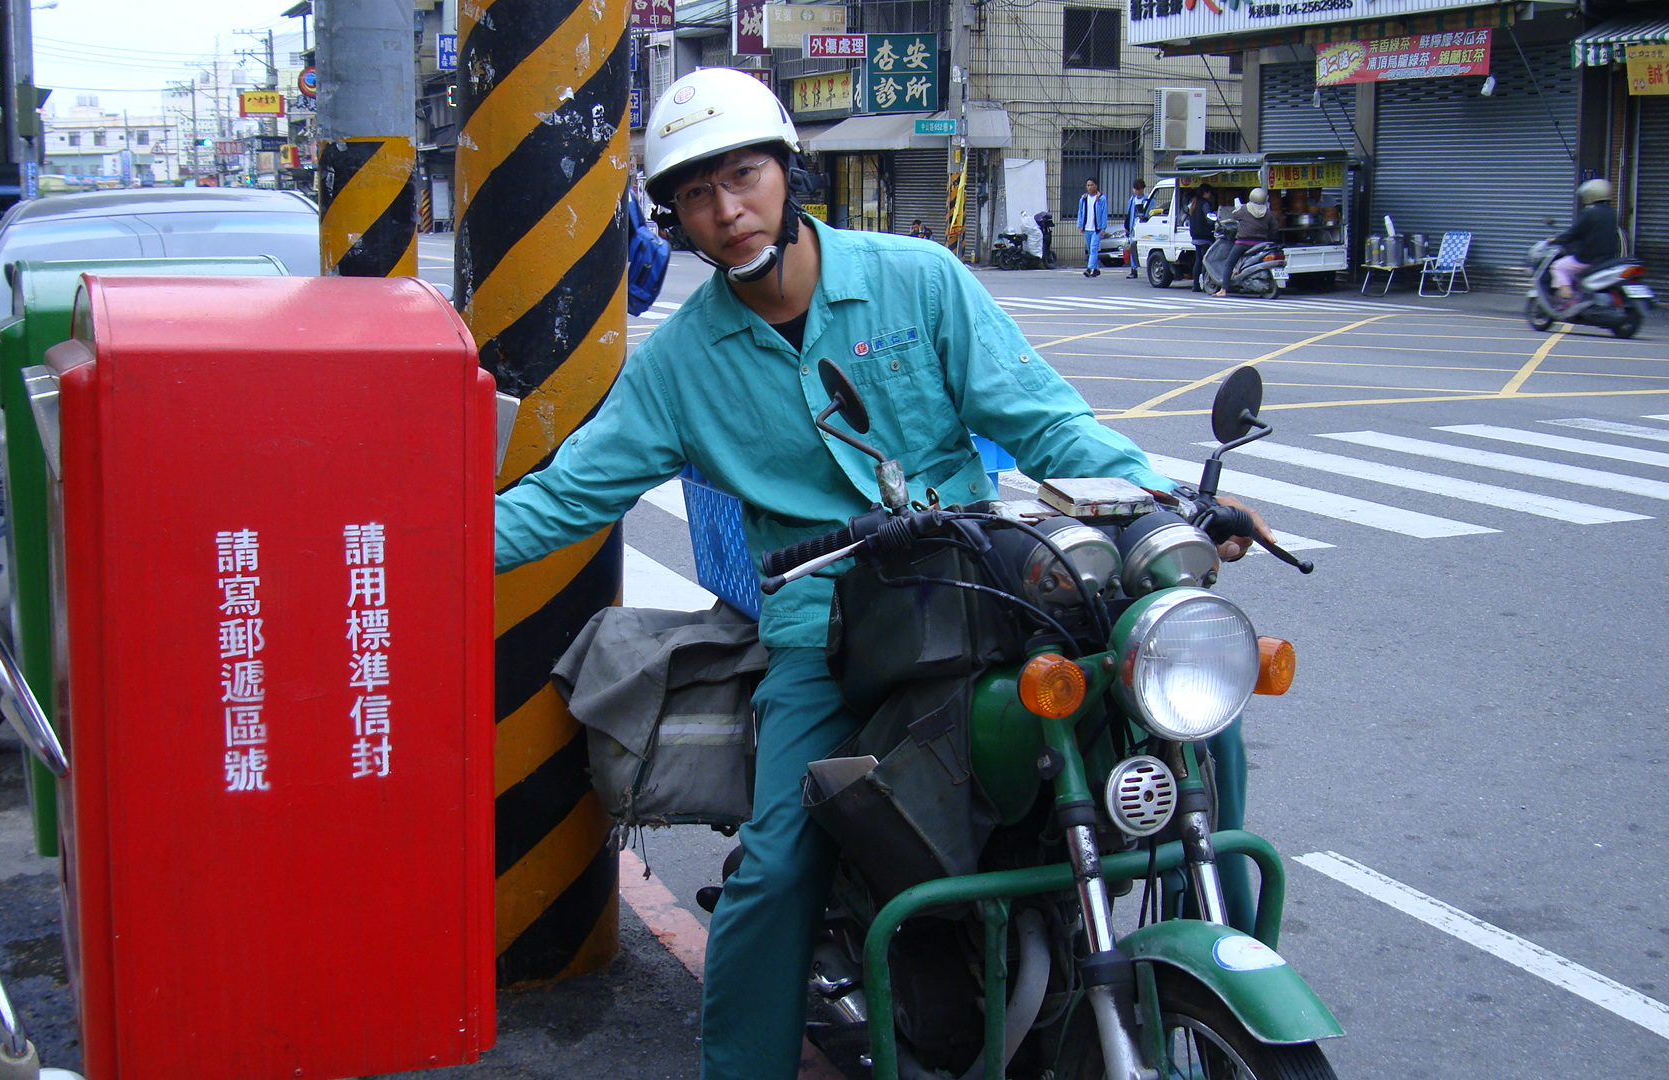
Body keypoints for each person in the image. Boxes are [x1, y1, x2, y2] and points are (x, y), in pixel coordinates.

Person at [494, 67, 1269, 1080]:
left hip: (983, 584)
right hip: (830, 622)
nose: (726, 211)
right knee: (779, 863)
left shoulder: (917, 280)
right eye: (695, 194)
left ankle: (1226, 955)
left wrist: (1166, 497)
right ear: (675, 219)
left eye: (742, 176)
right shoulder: (681, 364)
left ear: (786, 170)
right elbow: (567, 495)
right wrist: (418, 545)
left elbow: (1041, 417)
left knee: (1198, 730)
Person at [1550, 178, 1621, 303]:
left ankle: (1567, 298)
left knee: (1558, 266)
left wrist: (1557, 240)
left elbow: (1574, 233)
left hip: (1588, 257)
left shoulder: (1590, 213)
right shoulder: (1612, 213)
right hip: (1607, 258)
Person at [1215, 187, 1278, 297]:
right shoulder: (1267, 212)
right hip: (1261, 244)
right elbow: (1275, 228)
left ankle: (1223, 290)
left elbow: (1234, 215)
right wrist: (1268, 237)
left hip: (1243, 243)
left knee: (1229, 264)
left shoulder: (1244, 209)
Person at [1186, 184, 1217, 292]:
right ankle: (1205, 283)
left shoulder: (1193, 203)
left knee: (1198, 260)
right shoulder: (1205, 204)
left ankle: (1195, 284)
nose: (1210, 195)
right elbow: (1209, 219)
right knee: (1205, 260)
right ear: (1205, 193)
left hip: (1195, 236)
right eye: (1209, 193)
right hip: (1205, 236)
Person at [1077, 178, 1107, 277]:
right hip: (1087, 228)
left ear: (1096, 186)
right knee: (1090, 249)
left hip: (1096, 228)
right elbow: (1080, 212)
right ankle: (1096, 269)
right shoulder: (1084, 198)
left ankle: (1089, 268)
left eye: (1092, 185)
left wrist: (1103, 228)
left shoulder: (1101, 198)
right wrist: (1080, 224)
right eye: (1088, 185)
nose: (1090, 187)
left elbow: (1104, 214)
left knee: (1094, 248)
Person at [1124, 178, 1147, 278]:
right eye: (1135, 189)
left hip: (1143, 226)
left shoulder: (1148, 199)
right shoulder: (1132, 199)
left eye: (1138, 189)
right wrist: (1127, 227)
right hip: (1134, 226)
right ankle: (1133, 269)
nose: (1136, 191)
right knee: (1132, 247)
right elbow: (1128, 213)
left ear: (1142, 189)